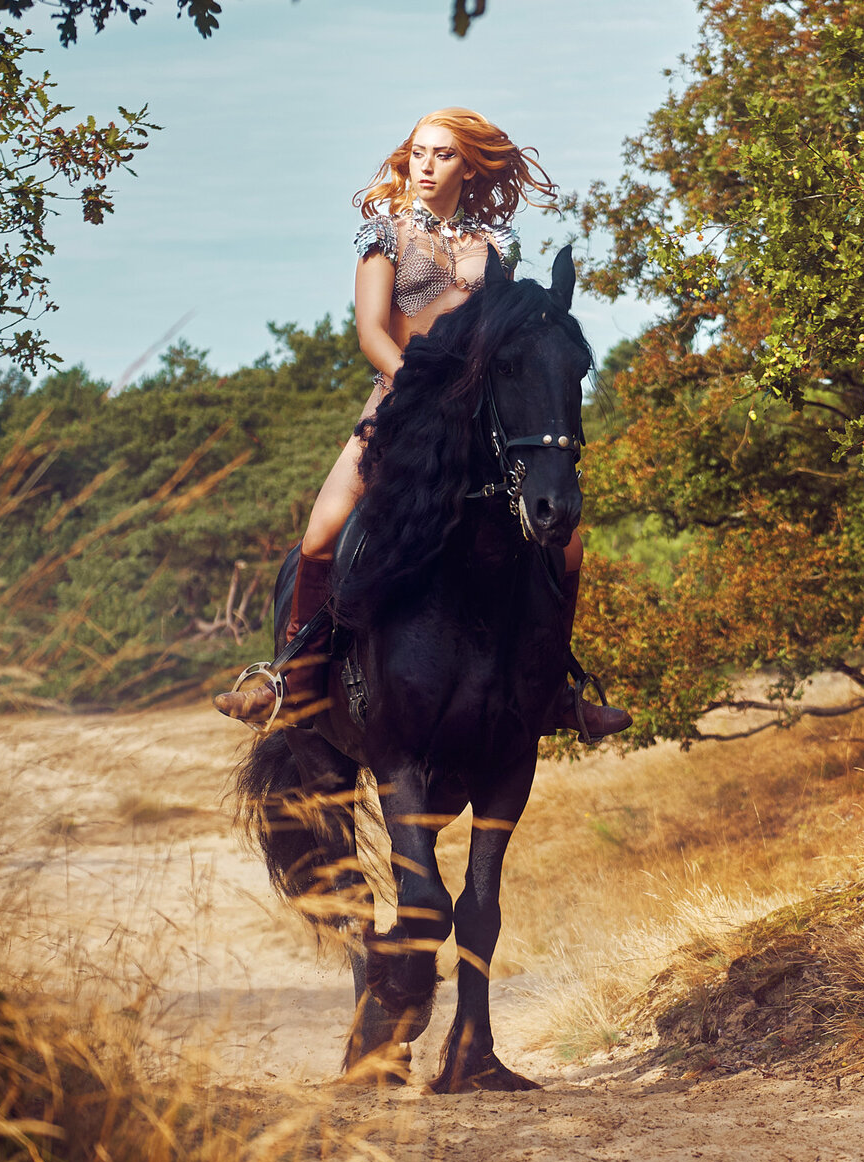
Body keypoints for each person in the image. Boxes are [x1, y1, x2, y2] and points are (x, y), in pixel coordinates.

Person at [217, 108, 630, 738]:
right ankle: (290, 680)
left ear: (469, 167)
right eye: (419, 153)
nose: (427, 166)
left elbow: (504, 336)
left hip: (477, 415)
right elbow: (371, 333)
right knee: (323, 530)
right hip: (399, 399)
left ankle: (554, 689)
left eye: (443, 155)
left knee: (568, 544)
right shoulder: (383, 234)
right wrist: (421, 386)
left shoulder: (496, 246)